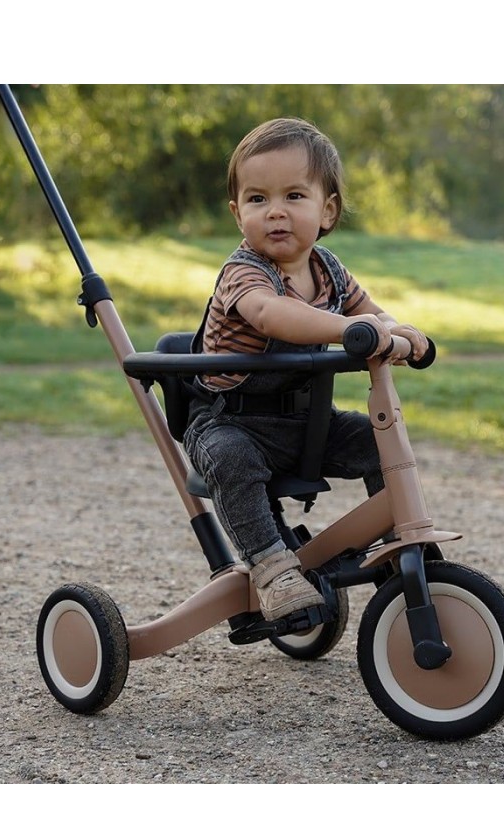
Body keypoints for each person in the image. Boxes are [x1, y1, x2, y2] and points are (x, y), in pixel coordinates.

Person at [183, 117, 428, 622]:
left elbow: (374, 314)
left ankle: (399, 545)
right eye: (257, 200)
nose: (275, 212)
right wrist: (346, 331)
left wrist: (404, 333)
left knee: (376, 442)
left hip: (307, 424)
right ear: (237, 214)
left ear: (327, 209)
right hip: (232, 422)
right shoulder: (243, 271)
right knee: (231, 459)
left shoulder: (329, 270)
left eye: (294, 196)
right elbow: (273, 314)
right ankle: (272, 570)